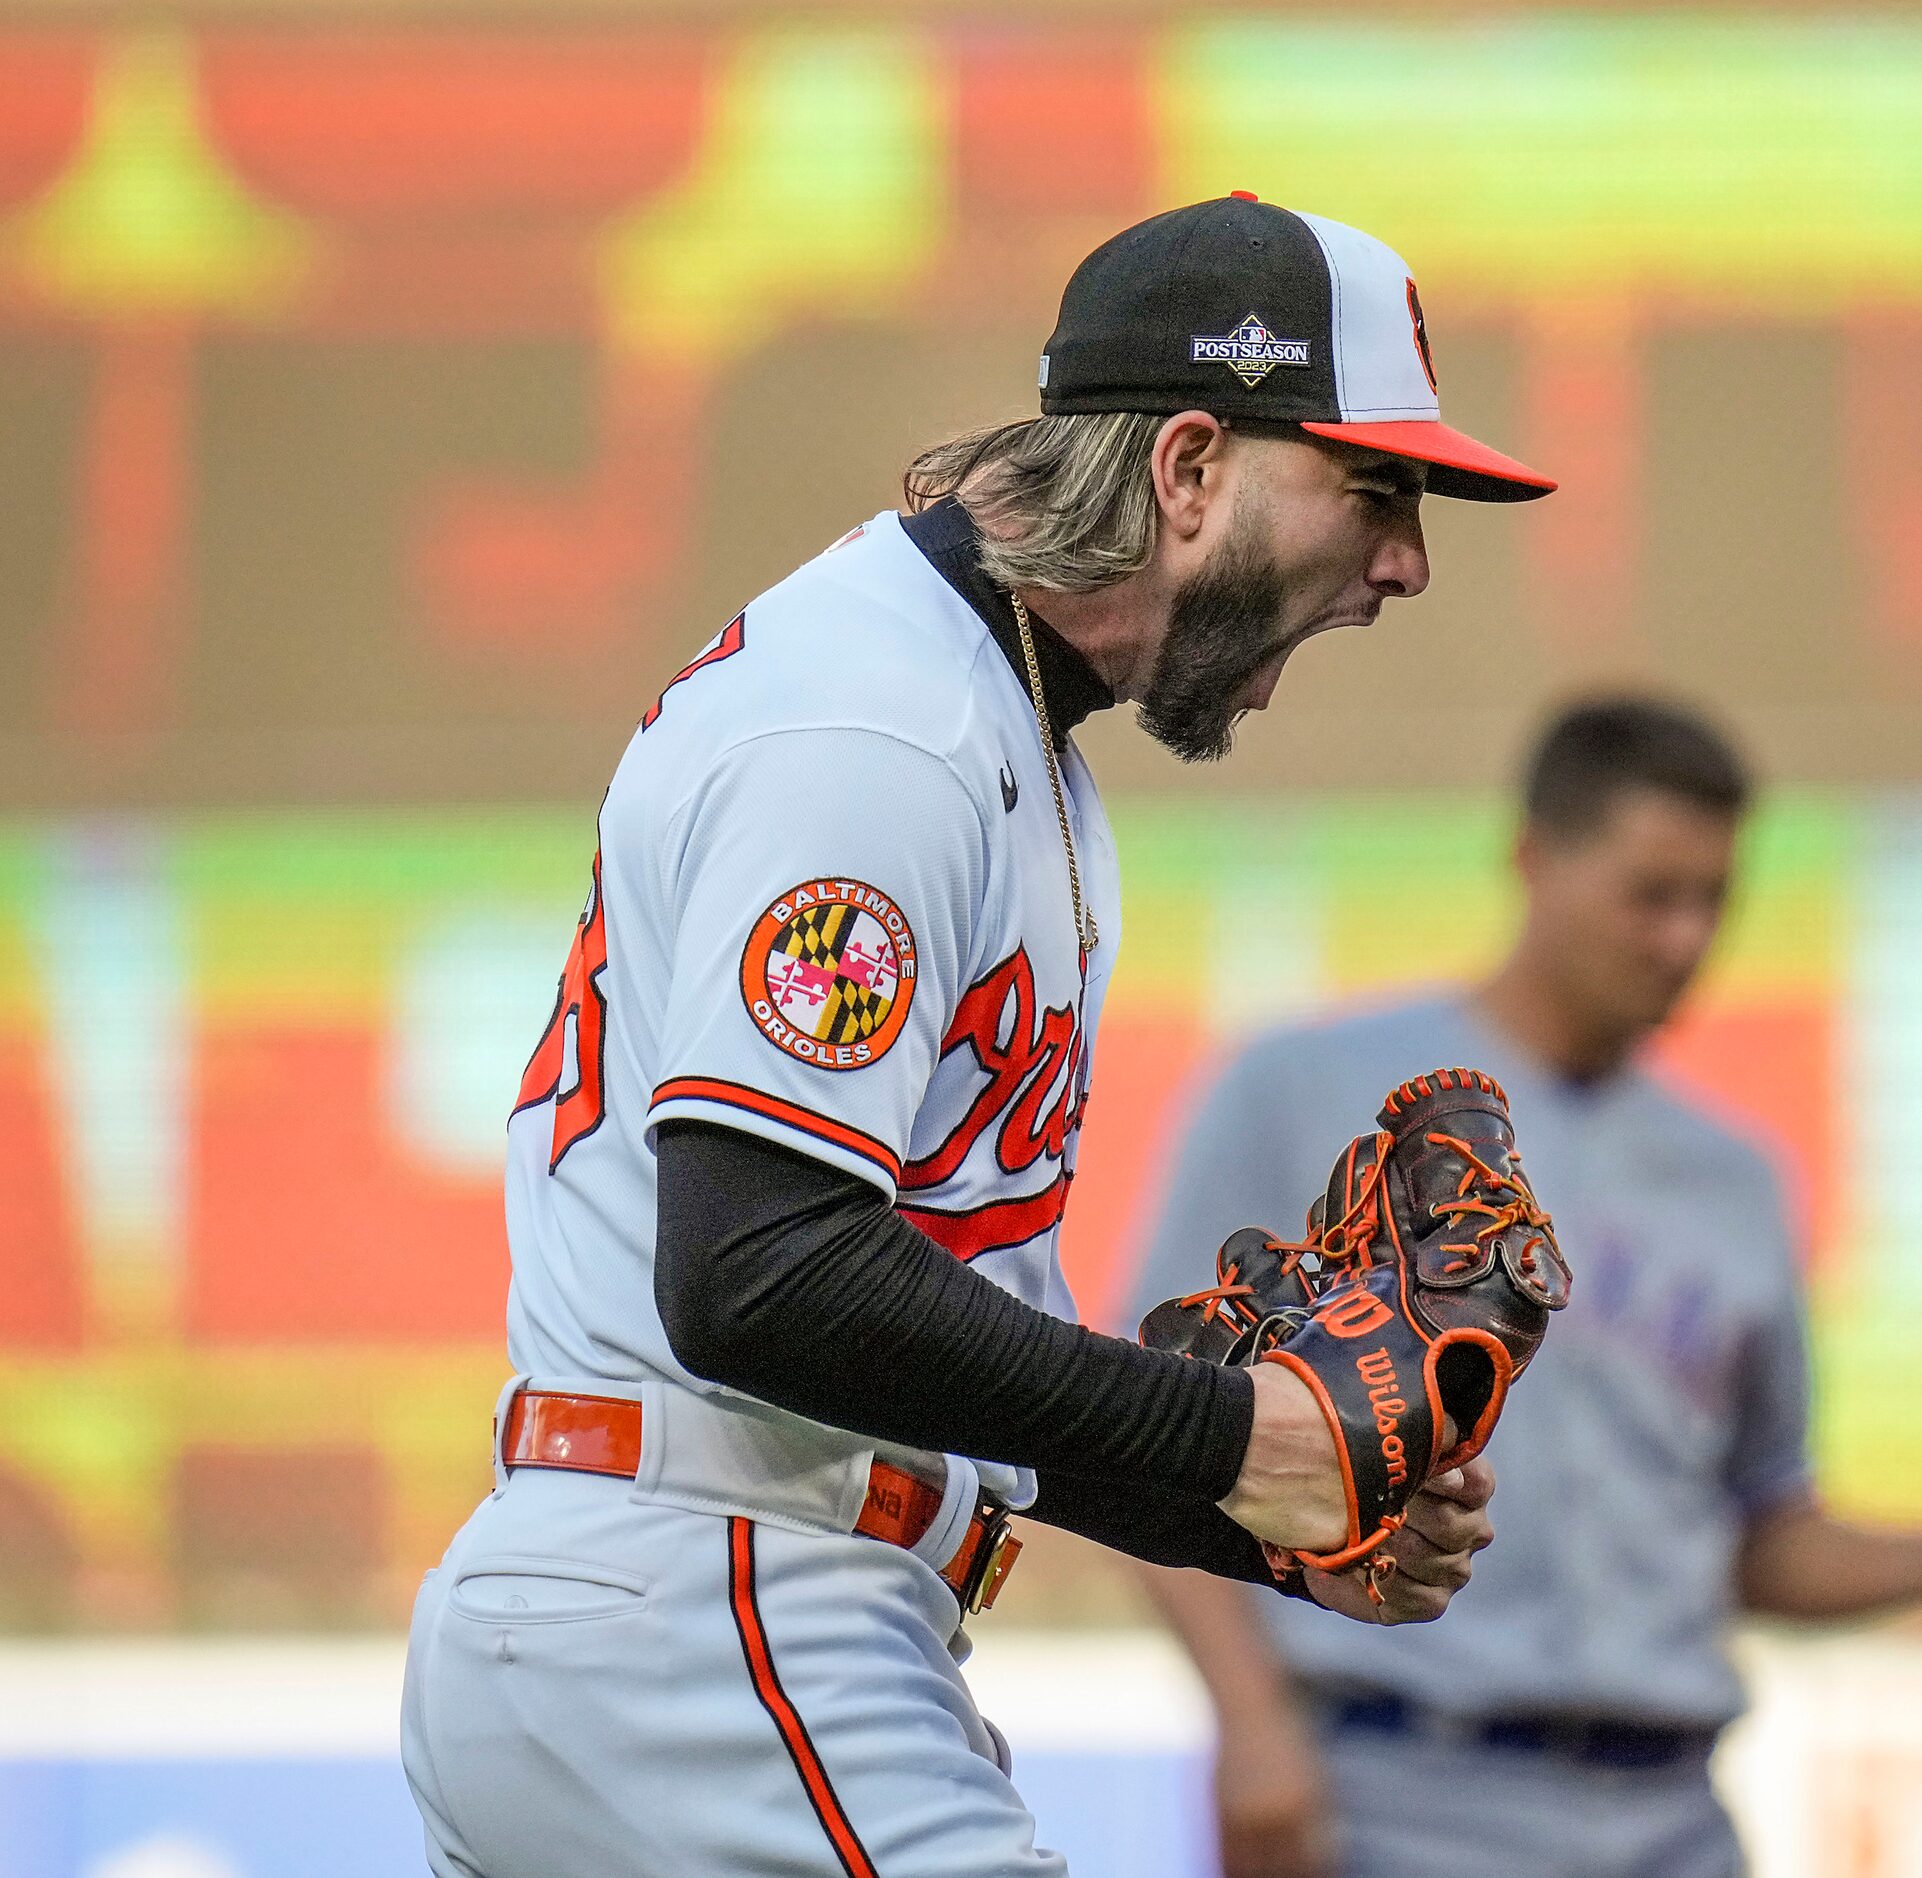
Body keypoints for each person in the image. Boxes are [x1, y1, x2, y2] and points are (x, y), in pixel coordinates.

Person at [399, 194, 1556, 1877]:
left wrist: (1269, 1520)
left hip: (686, 1609)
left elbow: (940, 1356)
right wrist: (1244, 1440)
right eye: (1372, 486)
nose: (1406, 559)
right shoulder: (882, 720)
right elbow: (755, 1274)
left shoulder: (988, 714)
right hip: (712, 1606)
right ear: (1183, 469)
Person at [1130, 699, 1922, 1878]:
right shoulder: (1303, 1091)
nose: (1684, 938)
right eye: (1650, 893)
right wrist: (1252, 1724)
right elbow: (1157, 1433)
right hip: (1393, 1793)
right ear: (1535, 859)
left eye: (1712, 901)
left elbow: (1755, 1533)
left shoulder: (1733, 1179)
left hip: (1672, 1813)